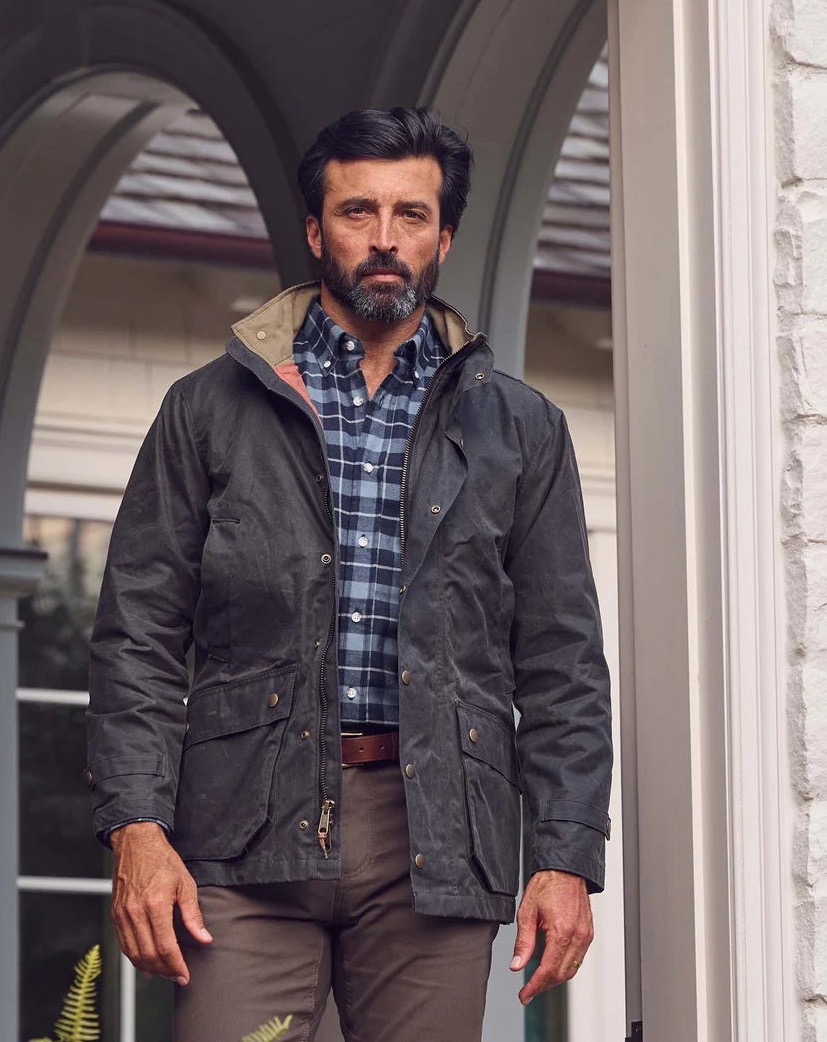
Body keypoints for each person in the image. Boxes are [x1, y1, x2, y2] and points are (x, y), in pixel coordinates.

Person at [86, 107, 612, 1042]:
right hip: (240, 832)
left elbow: (563, 663)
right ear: (314, 230)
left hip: (441, 831)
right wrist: (136, 825)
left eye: (411, 216)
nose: (384, 239)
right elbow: (138, 638)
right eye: (357, 211)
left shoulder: (521, 429)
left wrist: (566, 855)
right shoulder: (207, 410)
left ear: (443, 236)